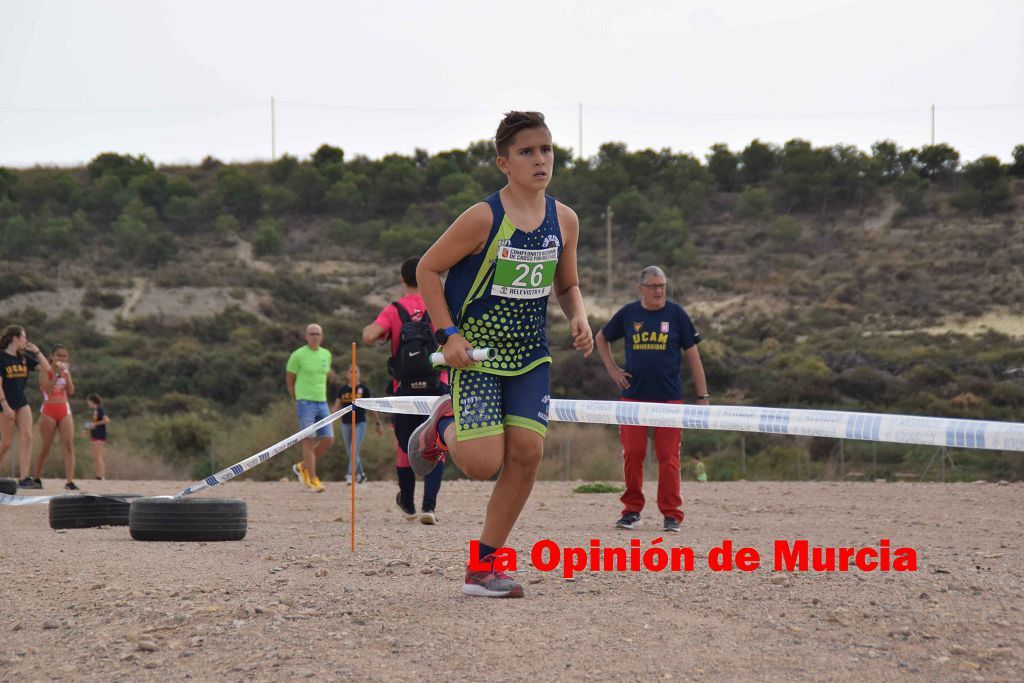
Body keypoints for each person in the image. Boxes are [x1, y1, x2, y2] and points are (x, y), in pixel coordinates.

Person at [411, 111, 593, 598]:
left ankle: (483, 569)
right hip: (475, 355)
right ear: (503, 163)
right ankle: (441, 425)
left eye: (547, 149)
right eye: (527, 151)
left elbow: (568, 283)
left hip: (529, 356)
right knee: (479, 464)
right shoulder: (484, 217)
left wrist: (578, 315)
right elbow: (429, 270)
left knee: (527, 455)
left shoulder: (565, 220)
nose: (540, 159)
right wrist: (448, 334)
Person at [595, 265, 710, 533]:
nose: (659, 291)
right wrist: (613, 370)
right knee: (633, 454)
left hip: (669, 400)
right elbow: (601, 338)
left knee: (668, 457)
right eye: (654, 286)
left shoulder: (677, 314)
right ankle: (632, 511)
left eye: (662, 286)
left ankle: (671, 514)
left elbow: (694, 356)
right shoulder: (629, 313)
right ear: (642, 289)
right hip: (633, 399)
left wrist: (702, 397)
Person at [363, 256, 448, 525]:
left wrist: (379, 333)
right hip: (438, 385)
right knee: (437, 444)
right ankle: (429, 507)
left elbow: (369, 335)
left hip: (404, 391)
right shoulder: (438, 307)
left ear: (402, 279)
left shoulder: (394, 309)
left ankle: (408, 504)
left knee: (404, 446)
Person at [0, 325, 51, 489]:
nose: (26, 340)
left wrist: (37, 352)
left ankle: (24, 478)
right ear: (15, 338)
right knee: (6, 443)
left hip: (21, 402)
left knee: (27, 437)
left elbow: (47, 368)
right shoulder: (2, 357)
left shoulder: (23, 357)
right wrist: (5, 406)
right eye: (24, 337)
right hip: (4, 403)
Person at [286, 323, 334, 493]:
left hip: (322, 402)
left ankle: (303, 466)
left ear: (322, 336)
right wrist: (295, 396)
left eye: (318, 334)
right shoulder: (297, 355)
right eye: (312, 334)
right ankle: (312, 478)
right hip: (305, 402)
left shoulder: (326, 354)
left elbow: (325, 377)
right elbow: (290, 378)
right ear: (306, 336)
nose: (315, 336)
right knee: (309, 439)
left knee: (328, 438)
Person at [33, 344, 79, 490]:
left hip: (64, 409)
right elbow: (46, 388)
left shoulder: (65, 371)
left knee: (68, 445)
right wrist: (57, 374)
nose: (61, 358)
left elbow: (71, 390)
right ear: (52, 357)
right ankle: (36, 478)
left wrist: (67, 374)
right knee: (46, 447)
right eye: (58, 355)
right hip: (48, 410)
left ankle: (69, 481)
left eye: (64, 355)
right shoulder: (45, 370)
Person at [331, 364, 382, 485]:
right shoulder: (342, 390)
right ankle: (361, 474)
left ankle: (350, 475)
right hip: (346, 424)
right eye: (351, 371)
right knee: (350, 452)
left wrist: (377, 423)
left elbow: (372, 407)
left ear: (359, 374)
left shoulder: (364, 389)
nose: (353, 374)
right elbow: (336, 407)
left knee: (354, 449)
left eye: (356, 372)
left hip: (360, 423)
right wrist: (330, 422)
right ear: (346, 374)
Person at [84, 393, 109, 479]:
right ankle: (98, 475)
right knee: (95, 456)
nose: (88, 403)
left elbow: (106, 420)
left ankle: (101, 476)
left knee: (98, 456)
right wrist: (86, 429)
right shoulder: (95, 411)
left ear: (92, 401)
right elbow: (93, 423)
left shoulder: (100, 409)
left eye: (88, 401)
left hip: (100, 436)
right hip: (95, 435)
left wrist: (95, 423)